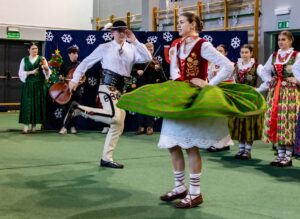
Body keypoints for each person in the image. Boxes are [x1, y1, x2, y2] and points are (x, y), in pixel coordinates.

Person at [65, 20, 152, 169]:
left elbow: (148, 58)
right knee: (115, 117)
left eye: (124, 31)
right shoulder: (104, 47)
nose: (121, 34)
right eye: (118, 31)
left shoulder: (132, 48)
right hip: (107, 86)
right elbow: (86, 62)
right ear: (112, 33)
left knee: (118, 125)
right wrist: (74, 79)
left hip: (122, 90)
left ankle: (106, 158)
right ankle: (79, 109)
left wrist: (136, 41)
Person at [257, 31, 300, 167]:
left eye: (284, 40)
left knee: (287, 122)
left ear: (290, 41)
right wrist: (270, 80)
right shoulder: (275, 55)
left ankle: (288, 156)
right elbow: (263, 70)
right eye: (279, 40)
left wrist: (297, 80)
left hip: (290, 94)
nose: (281, 42)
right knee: (277, 121)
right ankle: (280, 155)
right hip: (276, 92)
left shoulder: (297, 55)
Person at [229, 44, 264, 160]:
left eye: (246, 52)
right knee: (239, 123)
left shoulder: (257, 66)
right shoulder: (235, 66)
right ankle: (241, 149)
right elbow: (232, 80)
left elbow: (268, 80)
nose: (244, 54)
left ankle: (247, 151)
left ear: (251, 53)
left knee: (249, 124)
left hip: (250, 100)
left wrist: (258, 89)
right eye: (242, 52)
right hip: (239, 99)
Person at [131, 42, 166, 135]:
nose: (150, 51)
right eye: (148, 49)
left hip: (151, 87)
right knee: (140, 107)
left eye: (151, 49)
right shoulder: (139, 60)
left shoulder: (156, 62)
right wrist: (137, 71)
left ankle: (150, 127)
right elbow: (131, 70)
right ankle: (141, 127)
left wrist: (159, 69)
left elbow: (163, 78)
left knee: (150, 107)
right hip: (140, 86)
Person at [206, 44, 234, 152]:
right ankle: (218, 142)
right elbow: (209, 78)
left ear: (226, 53)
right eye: (217, 51)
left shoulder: (230, 65)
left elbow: (231, 80)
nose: (218, 53)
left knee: (222, 119)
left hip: (225, 92)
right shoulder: (212, 64)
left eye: (221, 51)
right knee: (214, 118)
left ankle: (221, 143)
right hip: (214, 92)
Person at [18, 42, 51, 134]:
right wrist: (31, 72)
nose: (35, 50)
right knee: (27, 104)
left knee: (36, 104)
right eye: (32, 48)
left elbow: (48, 74)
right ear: (28, 50)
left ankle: (34, 125)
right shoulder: (24, 59)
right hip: (28, 85)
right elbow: (20, 73)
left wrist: (46, 68)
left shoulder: (42, 59)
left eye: (36, 48)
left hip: (39, 85)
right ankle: (25, 126)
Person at [59, 45, 81, 134]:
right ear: (69, 54)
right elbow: (61, 77)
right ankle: (64, 127)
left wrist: (77, 84)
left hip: (77, 91)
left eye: (77, 53)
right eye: (74, 53)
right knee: (65, 109)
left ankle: (73, 127)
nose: (76, 55)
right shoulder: (64, 64)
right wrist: (61, 78)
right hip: (66, 90)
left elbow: (83, 78)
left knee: (75, 109)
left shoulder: (80, 65)